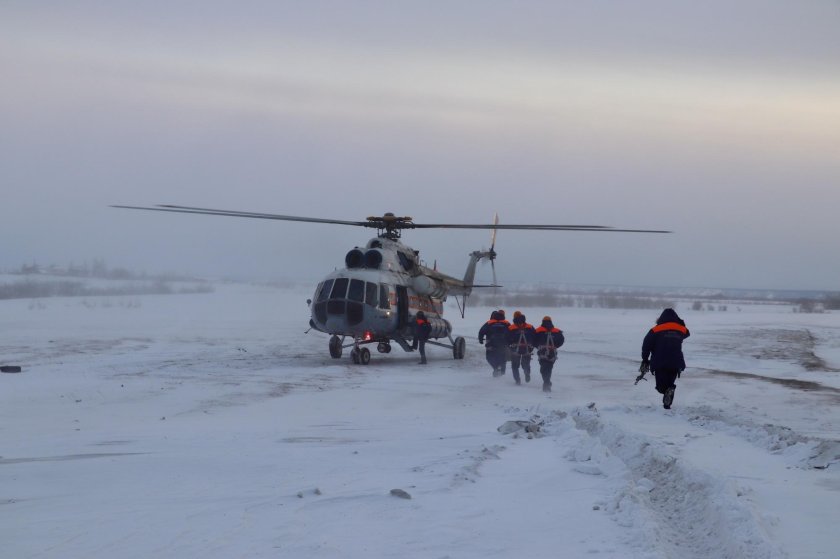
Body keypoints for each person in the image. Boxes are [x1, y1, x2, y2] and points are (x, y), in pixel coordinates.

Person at [640, 308, 690, 409]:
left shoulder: (656, 329)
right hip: (676, 362)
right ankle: (667, 403)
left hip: (660, 361)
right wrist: (680, 323)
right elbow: (687, 333)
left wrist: (645, 359)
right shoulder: (680, 329)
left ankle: (668, 391)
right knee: (670, 382)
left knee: (660, 387)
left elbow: (646, 344)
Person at [533, 316, 564, 392]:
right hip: (553, 352)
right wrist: (555, 346)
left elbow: (533, 340)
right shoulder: (557, 331)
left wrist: (538, 346)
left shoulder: (537, 331)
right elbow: (561, 340)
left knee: (543, 368)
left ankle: (546, 384)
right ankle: (547, 383)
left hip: (542, 352)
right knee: (549, 368)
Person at [507, 311, 535, 385]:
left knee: (515, 366)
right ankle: (527, 373)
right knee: (526, 364)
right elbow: (535, 337)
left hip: (515, 349)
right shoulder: (530, 327)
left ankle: (517, 380)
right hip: (527, 348)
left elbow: (506, 338)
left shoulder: (510, 327)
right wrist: (532, 346)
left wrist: (508, 347)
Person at [478, 311, 510, 376]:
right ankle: (502, 371)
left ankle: (496, 368)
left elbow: (481, 331)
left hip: (490, 344)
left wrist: (480, 340)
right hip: (503, 344)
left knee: (489, 357)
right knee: (503, 357)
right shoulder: (507, 323)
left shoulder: (489, 323)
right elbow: (513, 332)